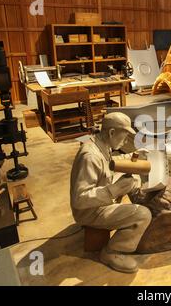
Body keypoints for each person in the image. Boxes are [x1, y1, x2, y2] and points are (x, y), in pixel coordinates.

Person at [70, 112, 152, 273]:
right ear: (112, 132)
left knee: (131, 174)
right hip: (89, 211)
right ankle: (112, 252)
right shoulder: (90, 156)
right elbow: (79, 199)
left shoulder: (101, 143)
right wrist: (113, 190)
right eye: (125, 135)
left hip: (98, 200)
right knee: (143, 215)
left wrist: (133, 156)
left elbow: (108, 165)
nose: (126, 140)